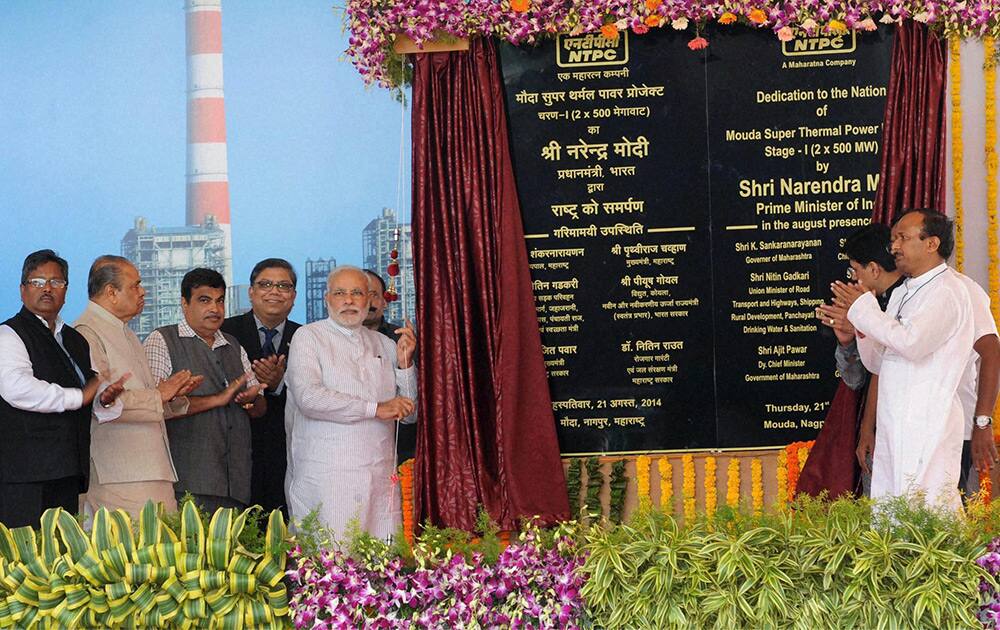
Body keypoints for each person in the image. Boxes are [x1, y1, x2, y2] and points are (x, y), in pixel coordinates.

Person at [837, 209, 974, 510]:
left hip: (928, 423)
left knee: (929, 511)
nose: (894, 247)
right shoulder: (904, 293)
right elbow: (878, 362)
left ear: (931, 243)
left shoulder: (947, 291)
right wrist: (858, 328)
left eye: (903, 237)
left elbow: (912, 344)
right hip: (896, 422)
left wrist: (864, 309)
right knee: (892, 509)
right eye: (893, 239)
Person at [285, 265, 417, 540]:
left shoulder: (385, 344)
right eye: (340, 293)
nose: (348, 300)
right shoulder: (309, 336)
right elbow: (309, 398)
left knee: (380, 563)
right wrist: (376, 408)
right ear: (327, 298)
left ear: (369, 300)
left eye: (357, 293)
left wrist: (405, 366)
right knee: (332, 562)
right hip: (328, 475)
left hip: (379, 476)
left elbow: (408, 414)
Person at [0, 250, 126, 527]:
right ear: (22, 290)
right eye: (37, 282)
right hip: (23, 477)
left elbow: (91, 390)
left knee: (61, 556)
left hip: (67, 470)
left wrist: (103, 399)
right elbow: (17, 388)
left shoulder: (76, 339)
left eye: (56, 282)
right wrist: (80, 396)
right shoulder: (8, 334)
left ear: (66, 290)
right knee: (25, 561)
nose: (47, 289)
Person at [74, 256, 202, 516]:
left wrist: (173, 397)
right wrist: (159, 395)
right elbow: (102, 404)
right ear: (111, 292)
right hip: (120, 474)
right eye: (136, 285)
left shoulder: (126, 332)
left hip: (150, 468)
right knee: (131, 553)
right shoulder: (86, 332)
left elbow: (147, 402)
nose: (143, 291)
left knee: (163, 550)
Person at [143, 268, 265, 513]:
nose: (215, 309)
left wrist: (249, 401)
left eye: (220, 301)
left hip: (236, 483)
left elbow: (259, 409)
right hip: (186, 482)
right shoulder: (162, 339)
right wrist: (217, 399)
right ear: (184, 303)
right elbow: (154, 407)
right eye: (204, 300)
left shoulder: (233, 344)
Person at [799, 225, 904, 498]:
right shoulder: (868, 305)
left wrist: (864, 327)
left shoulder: (912, 299)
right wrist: (847, 342)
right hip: (877, 429)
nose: (854, 279)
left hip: (912, 425)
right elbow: (858, 379)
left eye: (854, 271)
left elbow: (892, 364)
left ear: (873, 269)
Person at [222, 258, 301, 515]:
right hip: (232, 456)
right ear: (251, 292)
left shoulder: (306, 338)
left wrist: (279, 385)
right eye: (265, 284)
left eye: (283, 286)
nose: (274, 292)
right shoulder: (225, 332)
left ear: (294, 295)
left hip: (288, 456)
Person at [363, 269, 401, 338]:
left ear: (385, 302)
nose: (367, 302)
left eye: (373, 295)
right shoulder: (338, 338)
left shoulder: (401, 338)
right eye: (359, 295)